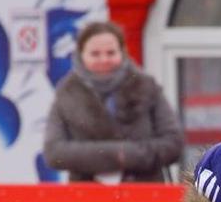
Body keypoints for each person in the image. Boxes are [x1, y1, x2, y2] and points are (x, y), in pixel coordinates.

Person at [43, 20, 183, 183]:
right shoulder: (67, 92)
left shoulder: (147, 86)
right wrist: (118, 155)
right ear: (80, 55)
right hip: (87, 199)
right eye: (95, 54)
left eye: (111, 53)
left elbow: (173, 144)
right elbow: (54, 152)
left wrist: (126, 155)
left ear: (122, 52)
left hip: (146, 196)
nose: (104, 60)